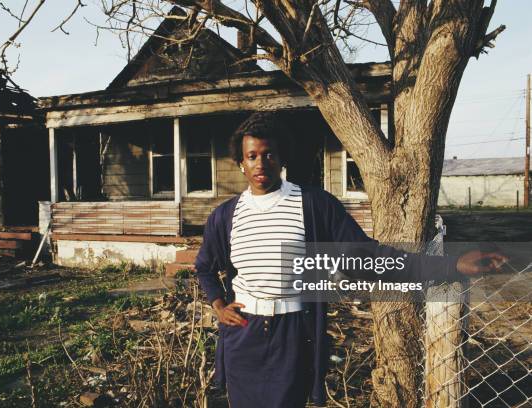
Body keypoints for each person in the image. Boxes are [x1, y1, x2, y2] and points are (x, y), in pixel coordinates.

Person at [194, 111, 506, 408]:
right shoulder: (226, 216)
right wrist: (219, 305)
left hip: (292, 333)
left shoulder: (313, 205)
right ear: (240, 163)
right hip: (243, 334)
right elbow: (205, 267)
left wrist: (451, 264)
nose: (261, 163)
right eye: (251, 156)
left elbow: (370, 257)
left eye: (269, 154)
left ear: (282, 157)